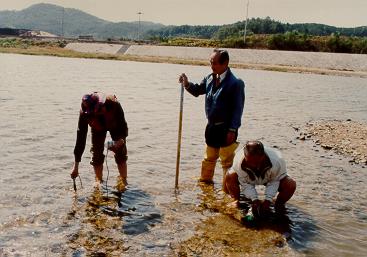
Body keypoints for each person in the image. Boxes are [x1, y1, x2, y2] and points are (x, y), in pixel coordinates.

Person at [179, 49, 245, 187]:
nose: (212, 65)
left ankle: (228, 190)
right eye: (210, 62)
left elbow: (238, 110)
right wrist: (187, 84)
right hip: (211, 127)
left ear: (225, 63)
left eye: (214, 63)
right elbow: (197, 90)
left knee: (227, 161)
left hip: (227, 128)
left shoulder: (235, 83)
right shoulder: (210, 78)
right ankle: (205, 185)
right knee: (209, 158)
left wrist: (232, 130)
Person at [70, 92, 128, 190]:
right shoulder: (84, 114)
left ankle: (124, 181)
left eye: (99, 109)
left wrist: (121, 141)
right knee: (96, 153)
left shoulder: (113, 104)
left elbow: (123, 126)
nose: (98, 112)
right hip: (98, 128)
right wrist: (76, 166)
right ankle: (99, 182)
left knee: (120, 151)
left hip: (115, 125)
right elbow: (81, 139)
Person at [224, 140, 296, 217]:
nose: (253, 165)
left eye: (256, 162)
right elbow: (245, 183)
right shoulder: (238, 161)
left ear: (263, 156)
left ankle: (278, 204)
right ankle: (235, 200)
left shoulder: (277, 160)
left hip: (270, 178)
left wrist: (268, 200)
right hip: (249, 179)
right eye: (249, 161)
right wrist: (254, 199)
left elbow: (275, 181)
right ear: (244, 155)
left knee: (290, 184)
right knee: (230, 175)